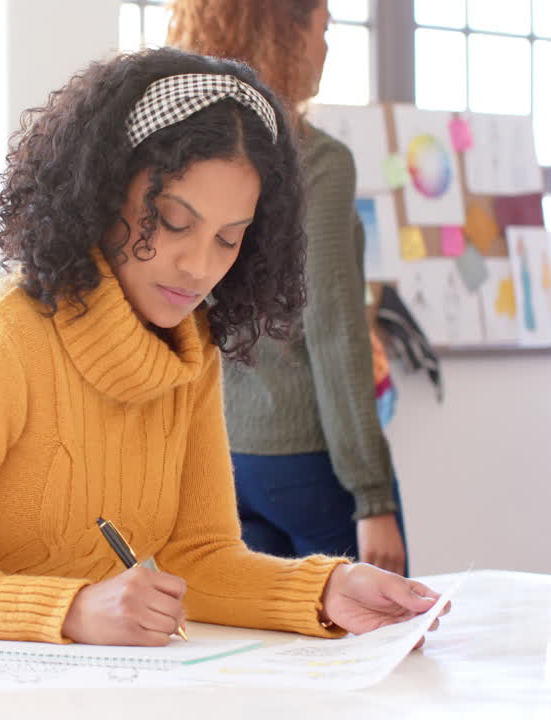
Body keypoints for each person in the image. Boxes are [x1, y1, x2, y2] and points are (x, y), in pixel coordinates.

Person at [0, 48, 443, 648]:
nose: (198, 266)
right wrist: (74, 610)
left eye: (229, 238)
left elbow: (195, 559)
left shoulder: (189, 352)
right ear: (104, 186)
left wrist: (325, 592)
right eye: (174, 221)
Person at [168, 0, 410, 575]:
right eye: (323, 29)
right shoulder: (317, 161)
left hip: (223, 461)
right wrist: (373, 497)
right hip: (311, 463)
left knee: (263, 649)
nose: (326, 47)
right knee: (374, 646)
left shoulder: (187, 159)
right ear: (284, 31)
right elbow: (333, 331)